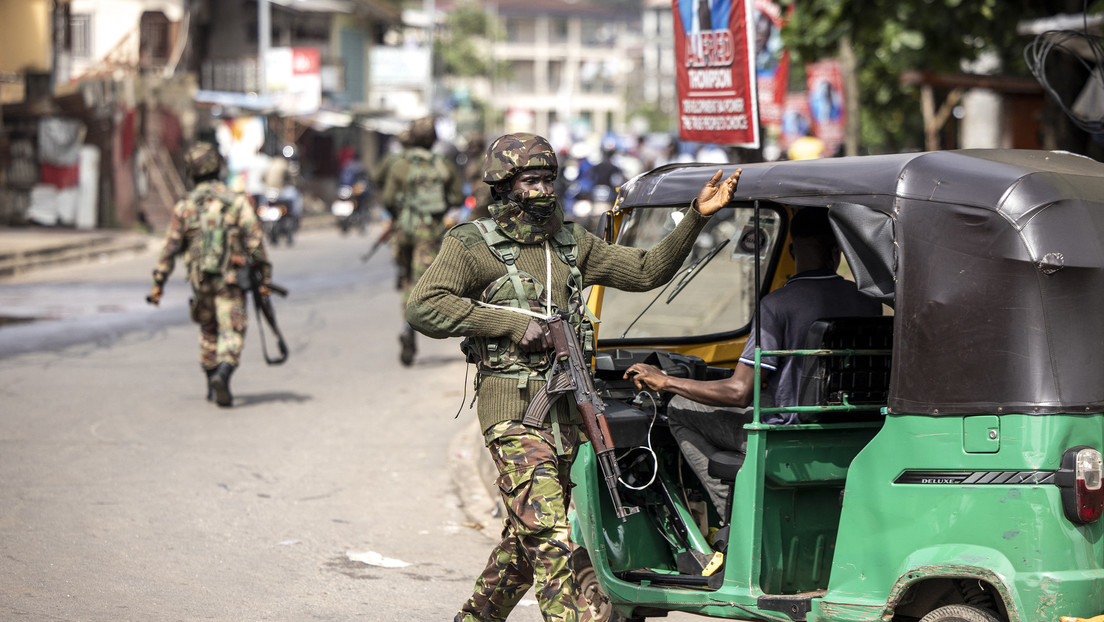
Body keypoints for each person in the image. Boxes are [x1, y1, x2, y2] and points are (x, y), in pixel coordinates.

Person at [405, 131, 741, 622]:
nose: (542, 190)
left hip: (564, 415)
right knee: (549, 535)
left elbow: (646, 271)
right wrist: (509, 323)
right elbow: (423, 307)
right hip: (512, 411)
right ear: (503, 185)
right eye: (530, 180)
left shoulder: (570, 243)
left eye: (548, 179)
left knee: (524, 545)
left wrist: (697, 216)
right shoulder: (471, 244)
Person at [624, 207, 881, 517]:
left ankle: (732, 516)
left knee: (679, 407)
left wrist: (666, 381)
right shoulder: (867, 301)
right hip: (852, 430)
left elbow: (739, 392)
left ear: (791, 251)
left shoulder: (777, 305)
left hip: (788, 437)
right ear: (836, 252)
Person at [147, 142, 272, 408]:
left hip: (200, 281)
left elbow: (169, 249)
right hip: (230, 280)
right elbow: (254, 242)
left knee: (208, 329)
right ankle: (223, 374)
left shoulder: (185, 207)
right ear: (217, 167)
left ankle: (211, 383)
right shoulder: (236, 202)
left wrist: (158, 284)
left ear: (191, 171)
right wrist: (265, 275)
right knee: (232, 329)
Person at [382, 116, 464, 366]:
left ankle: (406, 326)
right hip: (429, 233)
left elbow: (388, 199)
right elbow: (457, 197)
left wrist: (400, 214)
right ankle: (410, 326)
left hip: (403, 232)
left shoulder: (400, 165)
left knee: (407, 280)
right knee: (421, 283)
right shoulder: (443, 165)